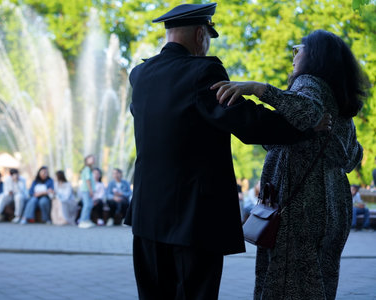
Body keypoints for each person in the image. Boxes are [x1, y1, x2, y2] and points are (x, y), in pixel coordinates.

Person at [124, 3, 322, 299]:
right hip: (193, 220)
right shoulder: (203, 71)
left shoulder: (140, 74)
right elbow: (247, 123)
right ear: (201, 33)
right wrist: (305, 127)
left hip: (146, 216)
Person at [213, 29, 365, 299]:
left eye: (299, 49)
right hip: (334, 207)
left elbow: (307, 112)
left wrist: (255, 88)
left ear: (314, 56)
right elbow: (353, 157)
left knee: (285, 283)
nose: (294, 56)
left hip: (300, 207)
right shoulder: (342, 104)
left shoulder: (309, 83)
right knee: (319, 282)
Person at [78, 155, 96, 229]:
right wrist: (91, 190)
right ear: (87, 160)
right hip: (86, 190)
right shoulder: (87, 169)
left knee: (89, 205)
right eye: (91, 158)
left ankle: (87, 220)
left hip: (87, 190)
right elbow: (88, 180)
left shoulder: (88, 169)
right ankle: (82, 221)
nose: (93, 159)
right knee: (87, 205)